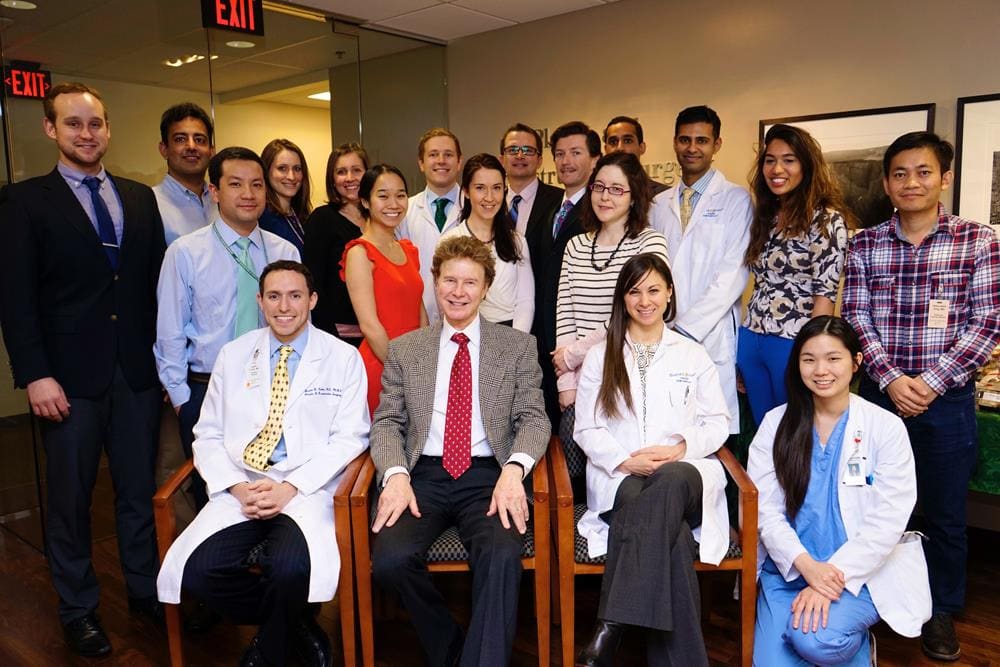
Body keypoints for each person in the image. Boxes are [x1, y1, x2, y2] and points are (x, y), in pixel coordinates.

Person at [0, 82, 166, 657]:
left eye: (94, 123)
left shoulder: (139, 198)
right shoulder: (24, 202)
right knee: (70, 501)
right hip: (67, 380)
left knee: (137, 491)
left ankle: (144, 589)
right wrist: (35, 373)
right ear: (51, 129)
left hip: (136, 374)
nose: (85, 134)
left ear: (107, 128)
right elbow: (15, 298)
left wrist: (162, 367)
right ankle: (78, 608)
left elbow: (147, 290)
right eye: (72, 124)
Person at [157, 260, 370, 667]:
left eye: (294, 295)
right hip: (244, 485)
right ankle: (296, 627)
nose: (284, 306)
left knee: (288, 569)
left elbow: (352, 436)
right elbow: (209, 433)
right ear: (260, 301)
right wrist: (237, 486)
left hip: (306, 490)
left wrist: (290, 487)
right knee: (200, 573)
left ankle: (268, 651)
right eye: (274, 296)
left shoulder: (342, 358)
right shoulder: (234, 355)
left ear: (312, 300)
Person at [842, 132, 1000, 661]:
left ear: (944, 178)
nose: (912, 182)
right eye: (901, 174)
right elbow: (856, 318)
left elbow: (987, 323)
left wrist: (931, 381)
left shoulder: (978, 241)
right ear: (887, 182)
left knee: (944, 515)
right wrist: (889, 379)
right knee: (872, 505)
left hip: (948, 401)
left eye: (924, 172)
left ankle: (940, 612)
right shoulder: (864, 244)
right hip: (878, 397)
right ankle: (875, 600)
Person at [369, 235, 550, 667]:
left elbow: (535, 418)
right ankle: (453, 650)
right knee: (390, 560)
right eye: (450, 280)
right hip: (422, 475)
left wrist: (514, 471)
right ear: (435, 282)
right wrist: (394, 475)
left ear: (486, 288)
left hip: (489, 475)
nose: (458, 291)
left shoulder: (517, 347)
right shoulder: (405, 349)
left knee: (503, 556)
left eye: (470, 283)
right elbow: (388, 421)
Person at [573, 253, 730, 666]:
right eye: (635, 290)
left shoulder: (691, 355)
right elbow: (585, 429)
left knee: (673, 479)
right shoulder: (600, 356)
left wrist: (679, 448)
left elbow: (718, 424)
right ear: (623, 298)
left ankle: (611, 625)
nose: (645, 300)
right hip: (622, 475)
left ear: (669, 294)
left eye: (654, 289)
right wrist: (627, 461)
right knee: (672, 536)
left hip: (687, 473)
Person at [748, 316, 930, 665]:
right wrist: (808, 568)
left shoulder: (885, 428)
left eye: (834, 358)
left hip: (857, 574)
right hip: (789, 570)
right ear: (797, 363)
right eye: (809, 359)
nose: (821, 370)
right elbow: (766, 512)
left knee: (817, 642)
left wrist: (829, 577)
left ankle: (856, 641)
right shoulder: (776, 424)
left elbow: (888, 520)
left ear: (856, 362)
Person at [155, 147, 300, 508]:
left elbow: (298, 323)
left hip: (274, 385)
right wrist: (182, 401)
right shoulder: (186, 253)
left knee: (269, 484)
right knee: (212, 491)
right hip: (206, 390)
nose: (248, 194)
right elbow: (169, 332)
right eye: (235, 184)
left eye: (256, 185)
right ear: (215, 191)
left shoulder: (285, 252)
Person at [737, 123, 850, 425]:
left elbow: (825, 296)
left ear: (806, 165)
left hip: (792, 342)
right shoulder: (766, 216)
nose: (777, 168)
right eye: (770, 160)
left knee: (797, 433)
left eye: (789, 160)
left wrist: (816, 357)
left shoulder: (826, 220)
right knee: (765, 431)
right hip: (751, 339)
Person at [649, 105, 752, 433]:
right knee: (668, 428)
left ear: (716, 145)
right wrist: (665, 327)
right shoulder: (658, 204)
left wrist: (686, 329)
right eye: (684, 139)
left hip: (710, 333)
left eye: (702, 140)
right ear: (675, 143)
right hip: (661, 329)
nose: (692, 148)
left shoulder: (737, 200)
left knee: (711, 432)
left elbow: (733, 274)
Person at [553, 151, 669, 414]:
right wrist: (566, 383)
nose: (605, 197)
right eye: (599, 187)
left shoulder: (649, 243)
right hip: (581, 379)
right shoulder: (576, 246)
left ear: (633, 197)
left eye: (617, 189)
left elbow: (639, 313)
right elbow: (565, 315)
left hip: (631, 375)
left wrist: (574, 355)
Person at [524, 120, 600, 428]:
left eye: (576, 152)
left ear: (595, 159)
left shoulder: (599, 212)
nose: (566, 161)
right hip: (546, 337)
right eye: (560, 153)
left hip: (584, 344)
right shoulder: (553, 209)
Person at [343, 164, 427, 415]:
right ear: (366, 202)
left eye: (401, 195)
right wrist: (401, 371)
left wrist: (422, 361)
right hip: (383, 365)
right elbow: (369, 325)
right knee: (383, 447)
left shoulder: (407, 249)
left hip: (415, 364)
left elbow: (418, 306)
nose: (394, 203)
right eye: (383, 195)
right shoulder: (359, 253)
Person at [440, 153, 534, 331]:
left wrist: (516, 344)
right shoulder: (450, 241)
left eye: (497, 188)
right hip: (464, 333)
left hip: (510, 334)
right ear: (466, 192)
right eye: (480, 188)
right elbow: (446, 300)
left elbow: (525, 302)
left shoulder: (517, 241)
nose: (490, 197)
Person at [303, 143, 369, 344]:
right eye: (341, 172)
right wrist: (327, 337)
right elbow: (313, 282)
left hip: (376, 330)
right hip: (339, 335)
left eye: (356, 170)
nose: (350, 178)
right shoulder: (322, 219)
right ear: (332, 179)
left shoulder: (378, 219)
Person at [398, 127, 464, 322]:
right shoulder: (404, 210)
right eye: (433, 154)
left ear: (459, 162)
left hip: (466, 318)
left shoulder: (475, 208)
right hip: (416, 321)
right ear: (421, 163)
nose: (441, 161)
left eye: (448, 155)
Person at [153, 102, 216, 245]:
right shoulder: (150, 205)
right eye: (180, 139)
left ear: (211, 151)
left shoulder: (223, 200)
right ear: (164, 149)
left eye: (199, 140)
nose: (192, 146)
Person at [499, 122, 563, 237]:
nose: (519, 156)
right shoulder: (492, 202)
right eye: (512, 150)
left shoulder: (559, 201)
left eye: (528, 150)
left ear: (539, 161)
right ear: (502, 159)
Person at [259, 138, 312, 254]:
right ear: (266, 171)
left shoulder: (300, 215)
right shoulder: (262, 217)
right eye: (282, 168)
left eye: (297, 169)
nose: (291, 177)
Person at [602, 115, 668, 195]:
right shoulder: (595, 195)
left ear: (642, 147)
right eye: (613, 142)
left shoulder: (664, 195)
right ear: (605, 149)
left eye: (627, 141)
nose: (620, 148)